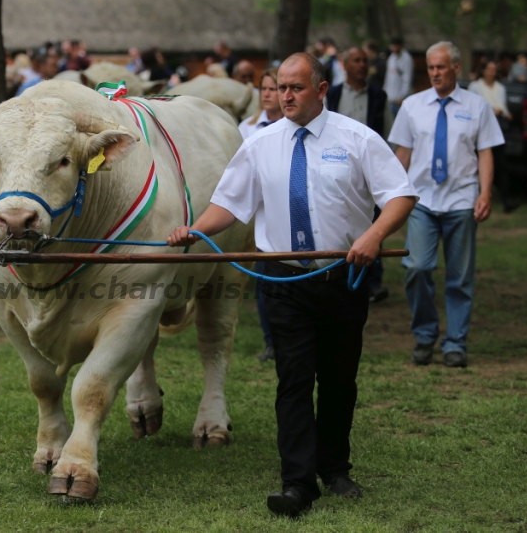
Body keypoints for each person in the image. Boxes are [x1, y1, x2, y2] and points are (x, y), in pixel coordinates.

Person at [168, 53, 416, 516]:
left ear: (321, 90)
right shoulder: (260, 144)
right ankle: (297, 482)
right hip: (282, 278)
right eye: (281, 87)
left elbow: (401, 196)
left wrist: (373, 235)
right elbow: (232, 203)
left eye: (296, 88)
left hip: (342, 274)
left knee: (339, 379)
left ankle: (335, 468)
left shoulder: (358, 139)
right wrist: (196, 230)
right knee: (294, 380)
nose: (285, 96)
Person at [387, 41, 505, 369]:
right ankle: (425, 335)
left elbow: (485, 151)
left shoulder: (477, 106)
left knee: (459, 276)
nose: (435, 73)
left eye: (441, 67)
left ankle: (455, 342)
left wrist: (485, 193)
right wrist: (392, 193)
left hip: (462, 200)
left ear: (455, 67)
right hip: (422, 201)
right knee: (417, 268)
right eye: (431, 68)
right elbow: (403, 153)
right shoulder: (412, 106)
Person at [325, 47, 395, 304]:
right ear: (344, 64)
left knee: (374, 224)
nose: (362, 65)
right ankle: (338, 274)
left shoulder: (378, 96)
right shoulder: (331, 95)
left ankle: (372, 282)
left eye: (365, 60)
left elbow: (388, 134)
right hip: (334, 170)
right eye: (356, 60)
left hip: (369, 173)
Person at [238, 68, 284, 362]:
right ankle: (271, 340)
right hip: (259, 214)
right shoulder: (247, 128)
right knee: (265, 281)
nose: (267, 94)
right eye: (263, 89)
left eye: (273, 88)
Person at [468, 58, 518, 212]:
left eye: (494, 70)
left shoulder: (500, 88)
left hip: (497, 127)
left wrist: (505, 113)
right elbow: (472, 106)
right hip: (479, 128)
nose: (492, 73)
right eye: (489, 69)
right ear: (483, 71)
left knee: (500, 165)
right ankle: (472, 199)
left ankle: (506, 200)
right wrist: (492, 110)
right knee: (475, 164)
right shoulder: (475, 87)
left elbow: (503, 107)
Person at [385, 37, 414, 116]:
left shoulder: (406, 59)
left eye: (396, 45)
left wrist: (402, 96)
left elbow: (407, 79)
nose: (394, 48)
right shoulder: (392, 57)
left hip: (400, 100)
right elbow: (388, 77)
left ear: (401, 46)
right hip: (390, 97)